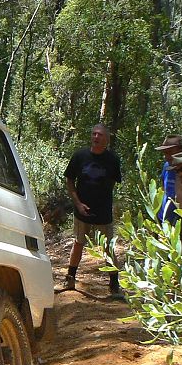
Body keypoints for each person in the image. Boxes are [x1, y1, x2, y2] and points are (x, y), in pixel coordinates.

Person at [63, 124, 123, 297]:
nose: (96, 137)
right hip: (82, 211)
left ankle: (114, 286)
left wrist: (102, 201)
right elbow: (69, 181)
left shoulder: (112, 160)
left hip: (103, 212)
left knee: (107, 248)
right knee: (78, 243)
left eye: (100, 135)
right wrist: (78, 203)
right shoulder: (80, 156)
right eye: (94, 134)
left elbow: (112, 183)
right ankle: (70, 279)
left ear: (106, 139)